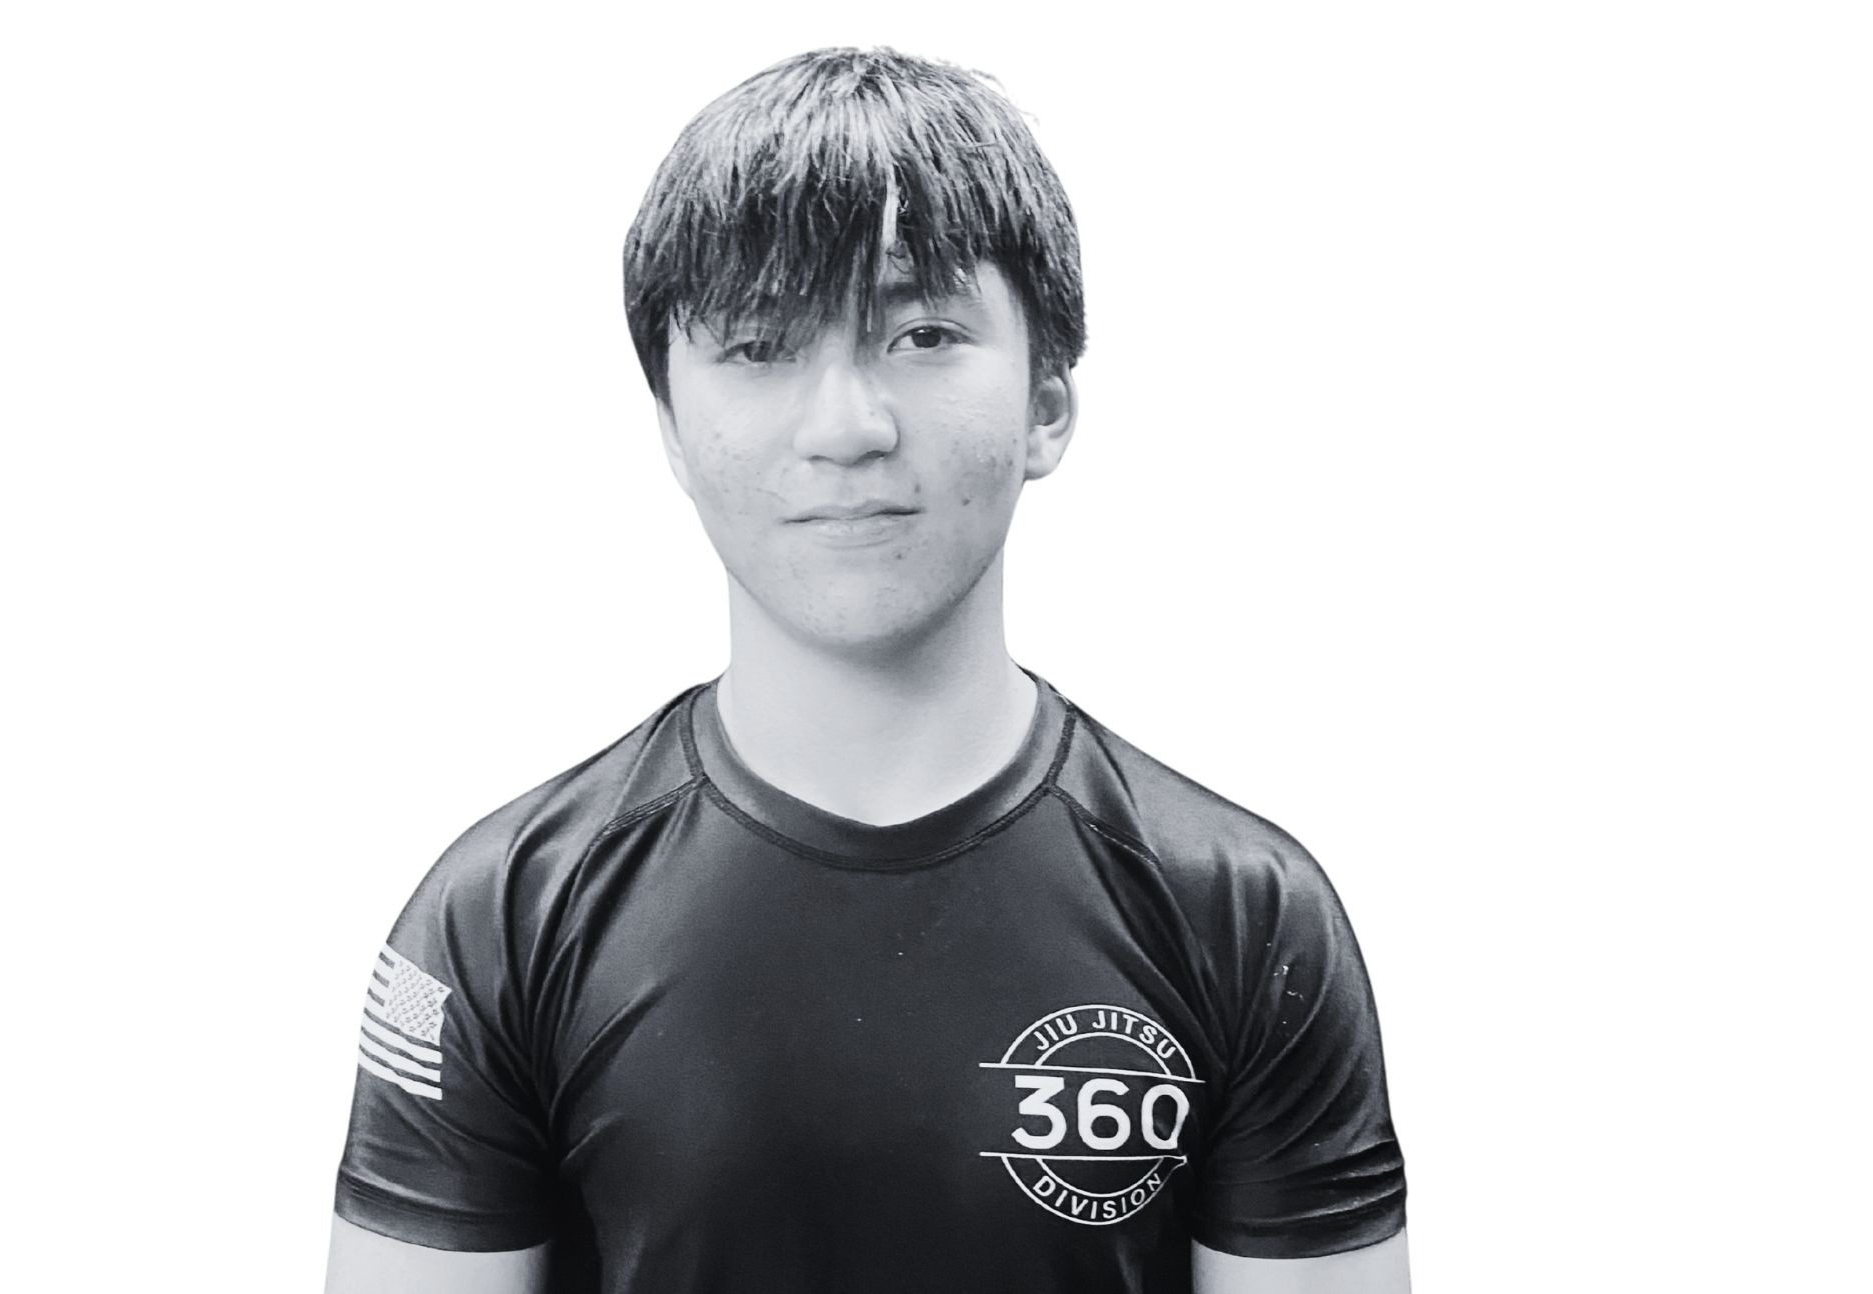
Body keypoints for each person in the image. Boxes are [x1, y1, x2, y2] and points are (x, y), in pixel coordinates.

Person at [325, 46, 1408, 1293]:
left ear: (1047, 403)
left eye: (921, 333)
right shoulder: (499, 917)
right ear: (669, 424)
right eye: (758, 345)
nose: (844, 425)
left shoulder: (1247, 916)